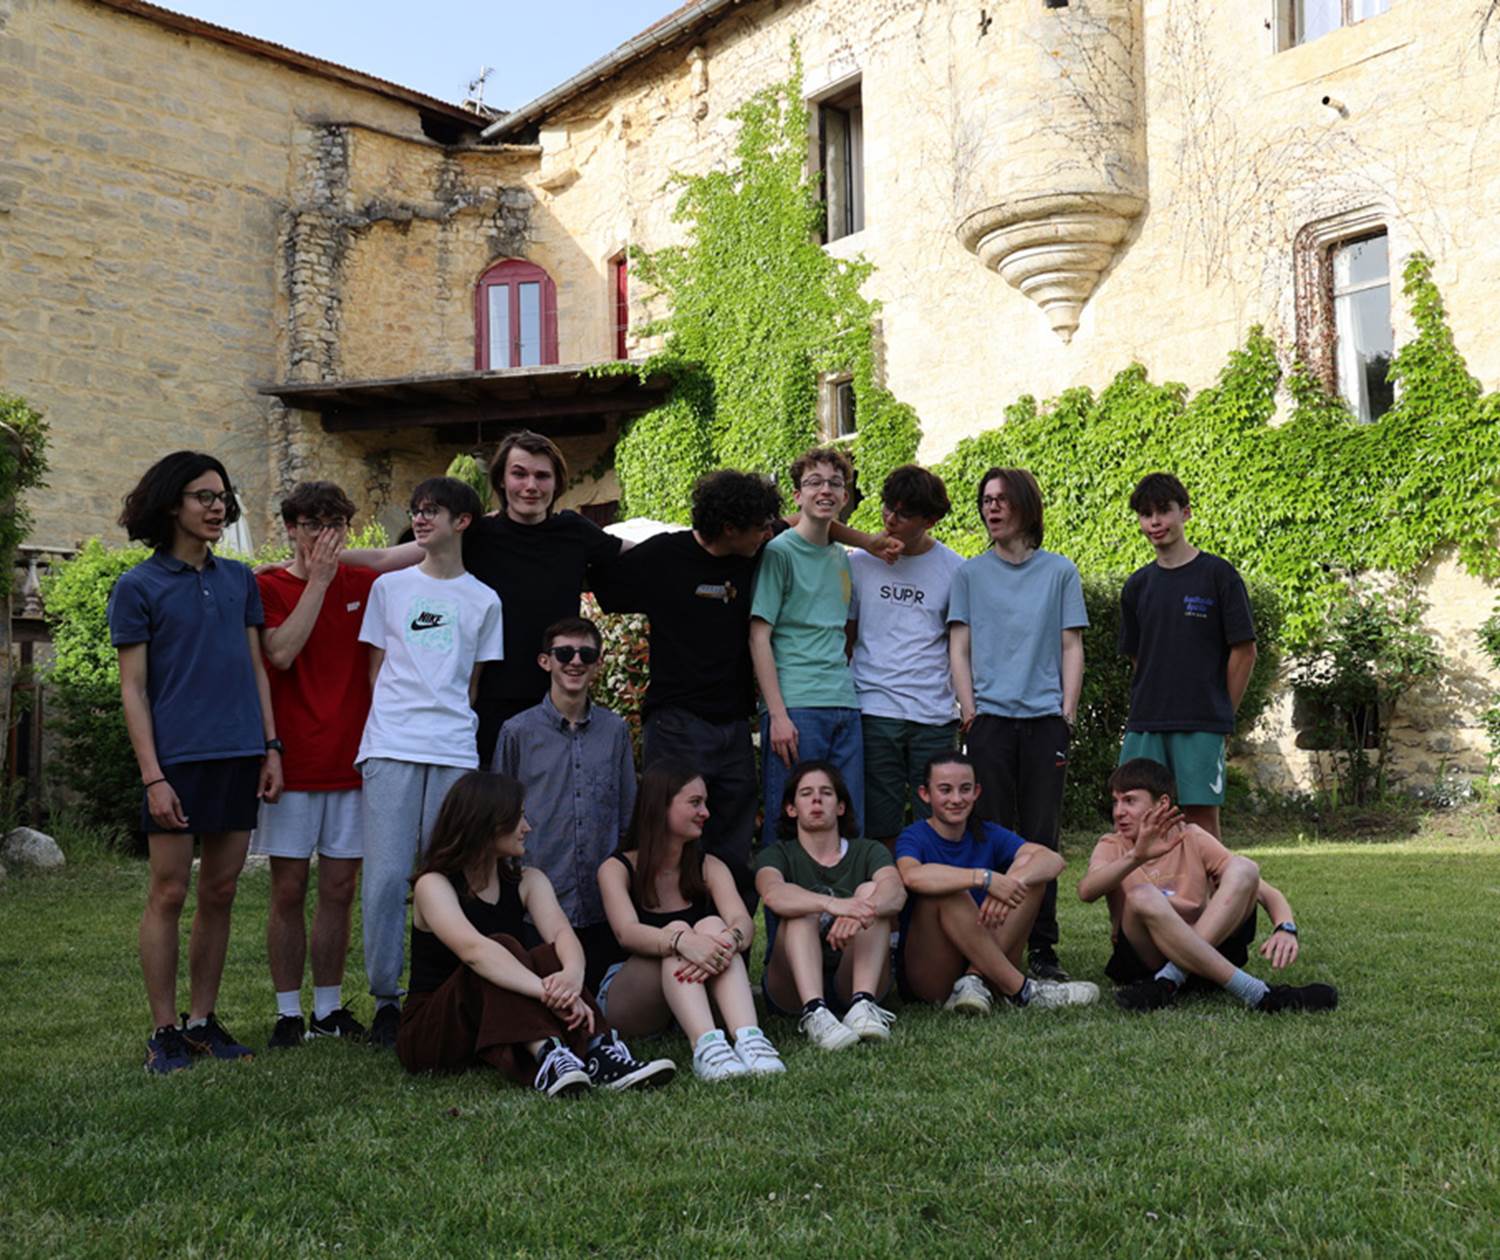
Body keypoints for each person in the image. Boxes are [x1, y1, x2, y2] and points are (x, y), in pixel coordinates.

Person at [109, 451, 284, 1073]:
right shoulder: (137, 587)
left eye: (221, 497)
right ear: (171, 505)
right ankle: (164, 1033)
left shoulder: (240, 580)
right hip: (177, 761)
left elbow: (256, 667)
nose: (217, 507)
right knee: (169, 891)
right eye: (203, 497)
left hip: (239, 754)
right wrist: (153, 776)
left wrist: (270, 747)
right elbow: (133, 689)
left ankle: (203, 1021)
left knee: (222, 889)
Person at [338, 431, 625, 766]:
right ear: (502, 481)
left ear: (556, 482)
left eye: (542, 475)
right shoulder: (478, 535)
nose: (530, 485)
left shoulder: (574, 532)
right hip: (488, 699)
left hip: (555, 696)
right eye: (519, 474)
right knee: (491, 810)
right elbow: (386, 558)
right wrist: (299, 563)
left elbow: (636, 553)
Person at [399, 771, 675, 1095]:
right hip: (432, 1033)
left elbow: (561, 932)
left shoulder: (529, 880)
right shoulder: (434, 885)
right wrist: (547, 993)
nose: (527, 827)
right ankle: (548, 1055)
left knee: (546, 954)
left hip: (491, 1025)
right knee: (500, 947)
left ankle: (599, 1050)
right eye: (518, 818)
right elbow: (474, 951)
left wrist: (572, 975)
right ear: (486, 822)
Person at [357, 475, 504, 1049]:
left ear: (461, 522)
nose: (420, 520)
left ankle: (435, 989)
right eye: (416, 511)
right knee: (389, 875)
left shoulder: (484, 599)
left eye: (432, 512)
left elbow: (472, 686)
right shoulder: (389, 589)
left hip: (452, 749)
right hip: (391, 744)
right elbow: (375, 670)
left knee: (440, 875)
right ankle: (386, 1000)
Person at [948, 466, 1087, 983]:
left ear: (1026, 505)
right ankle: (993, 945)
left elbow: (1071, 646)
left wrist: (1066, 714)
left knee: (1041, 836)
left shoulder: (1060, 572)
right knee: (993, 835)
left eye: (1002, 499)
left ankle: (1043, 949)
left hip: (1045, 722)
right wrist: (969, 711)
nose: (992, 508)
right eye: (985, 500)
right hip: (988, 723)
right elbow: (958, 647)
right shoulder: (968, 574)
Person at [254, 481, 374, 1047]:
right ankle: (286, 1013)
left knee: (340, 887)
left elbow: (416, 552)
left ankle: (327, 1010)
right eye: (313, 525)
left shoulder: (367, 582)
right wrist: (319, 582)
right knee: (287, 888)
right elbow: (280, 652)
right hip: (292, 764)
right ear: (291, 529)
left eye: (336, 526)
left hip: (353, 762)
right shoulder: (268, 585)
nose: (325, 537)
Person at [1077, 758, 1338, 1014]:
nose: (1118, 811)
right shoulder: (1113, 844)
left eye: (1130, 800)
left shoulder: (1190, 836)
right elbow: (1086, 891)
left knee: (1244, 867)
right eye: (1116, 801)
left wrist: (1286, 928)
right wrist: (1136, 857)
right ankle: (1257, 992)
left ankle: (1170, 980)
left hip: (1207, 947)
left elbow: (1263, 890)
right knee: (1143, 896)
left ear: (1162, 803)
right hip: (1146, 960)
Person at [597, 760, 786, 1081]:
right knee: (679, 930)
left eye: (705, 803)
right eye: (695, 803)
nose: (706, 812)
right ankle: (706, 1047)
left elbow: (743, 920)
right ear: (660, 806)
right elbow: (626, 933)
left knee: (715, 926)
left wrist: (729, 940)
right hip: (634, 998)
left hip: (699, 991)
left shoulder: (708, 865)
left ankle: (749, 1039)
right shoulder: (616, 868)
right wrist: (683, 942)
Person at [894, 753, 1098, 1015]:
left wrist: (1010, 882)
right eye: (945, 790)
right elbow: (912, 876)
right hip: (932, 974)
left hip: (986, 965)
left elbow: (1052, 859)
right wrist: (984, 879)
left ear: (976, 792)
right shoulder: (914, 836)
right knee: (949, 891)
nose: (956, 799)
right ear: (925, 794)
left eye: (965, 789)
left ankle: (974, 979)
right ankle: (1024, 991)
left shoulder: (986, 832)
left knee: (1031, 880)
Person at [493, 616, 635, 993]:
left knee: (600, 1001)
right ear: (545, 661)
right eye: (564, 653)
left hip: (601, 905)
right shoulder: (516, 732)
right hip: (536, 906)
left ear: (598, 662)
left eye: (585, 653)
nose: (575, 661)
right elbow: (498, 818)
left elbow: (627, 812)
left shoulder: (616, 731)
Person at [1119, 472, 1258, 840]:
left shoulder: (1218, 575)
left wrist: (1221, 714)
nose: (1155, 522)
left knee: (1200, 827)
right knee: (1137, 823)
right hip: (1145, 722)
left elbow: (1244, 652)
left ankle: (1215, 899)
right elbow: (1138, 659)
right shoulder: (1136, 586)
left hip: (1202, 723)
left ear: (1186, 513)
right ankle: (1147, 899)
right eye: (1146, 514)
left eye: (1164, 511)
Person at [750, 446, 864, 847]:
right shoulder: (779, 553)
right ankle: (786, 909)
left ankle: (842, 910)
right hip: (796, 708)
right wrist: (777, 715)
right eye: (813, 482)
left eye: (835, 483)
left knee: (847, 823)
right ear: (797, 495)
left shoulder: (842, 558)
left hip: (844, 704)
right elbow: (759, 636)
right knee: (789, 826)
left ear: (845, 497)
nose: (825, 490)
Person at [847, 464, 964, 845]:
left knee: (941, 820)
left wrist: (966, 705)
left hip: (933, 712)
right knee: (879, 821)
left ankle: (935, 899)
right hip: (874, 706)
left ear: (929, 520)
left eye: (903, 513)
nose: (889, 518)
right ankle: (885, 901)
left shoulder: (955, 569)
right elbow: (846, 637)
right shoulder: (859, 563)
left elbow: (961, 645)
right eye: (886, 507)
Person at [754, 761, 905, 1050]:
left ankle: (863, 1006)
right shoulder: (777, 853)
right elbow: (773, 894)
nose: (816, 800)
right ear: (791, 808)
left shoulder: (868, 849)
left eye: (826, 793)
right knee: (801, 908)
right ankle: (815, 1013)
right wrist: (836, 905)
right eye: (806, 793)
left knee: (871, 892)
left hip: (855, 973)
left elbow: (896, 892)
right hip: (791, 986)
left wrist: (861, 911)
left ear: (840, 807)